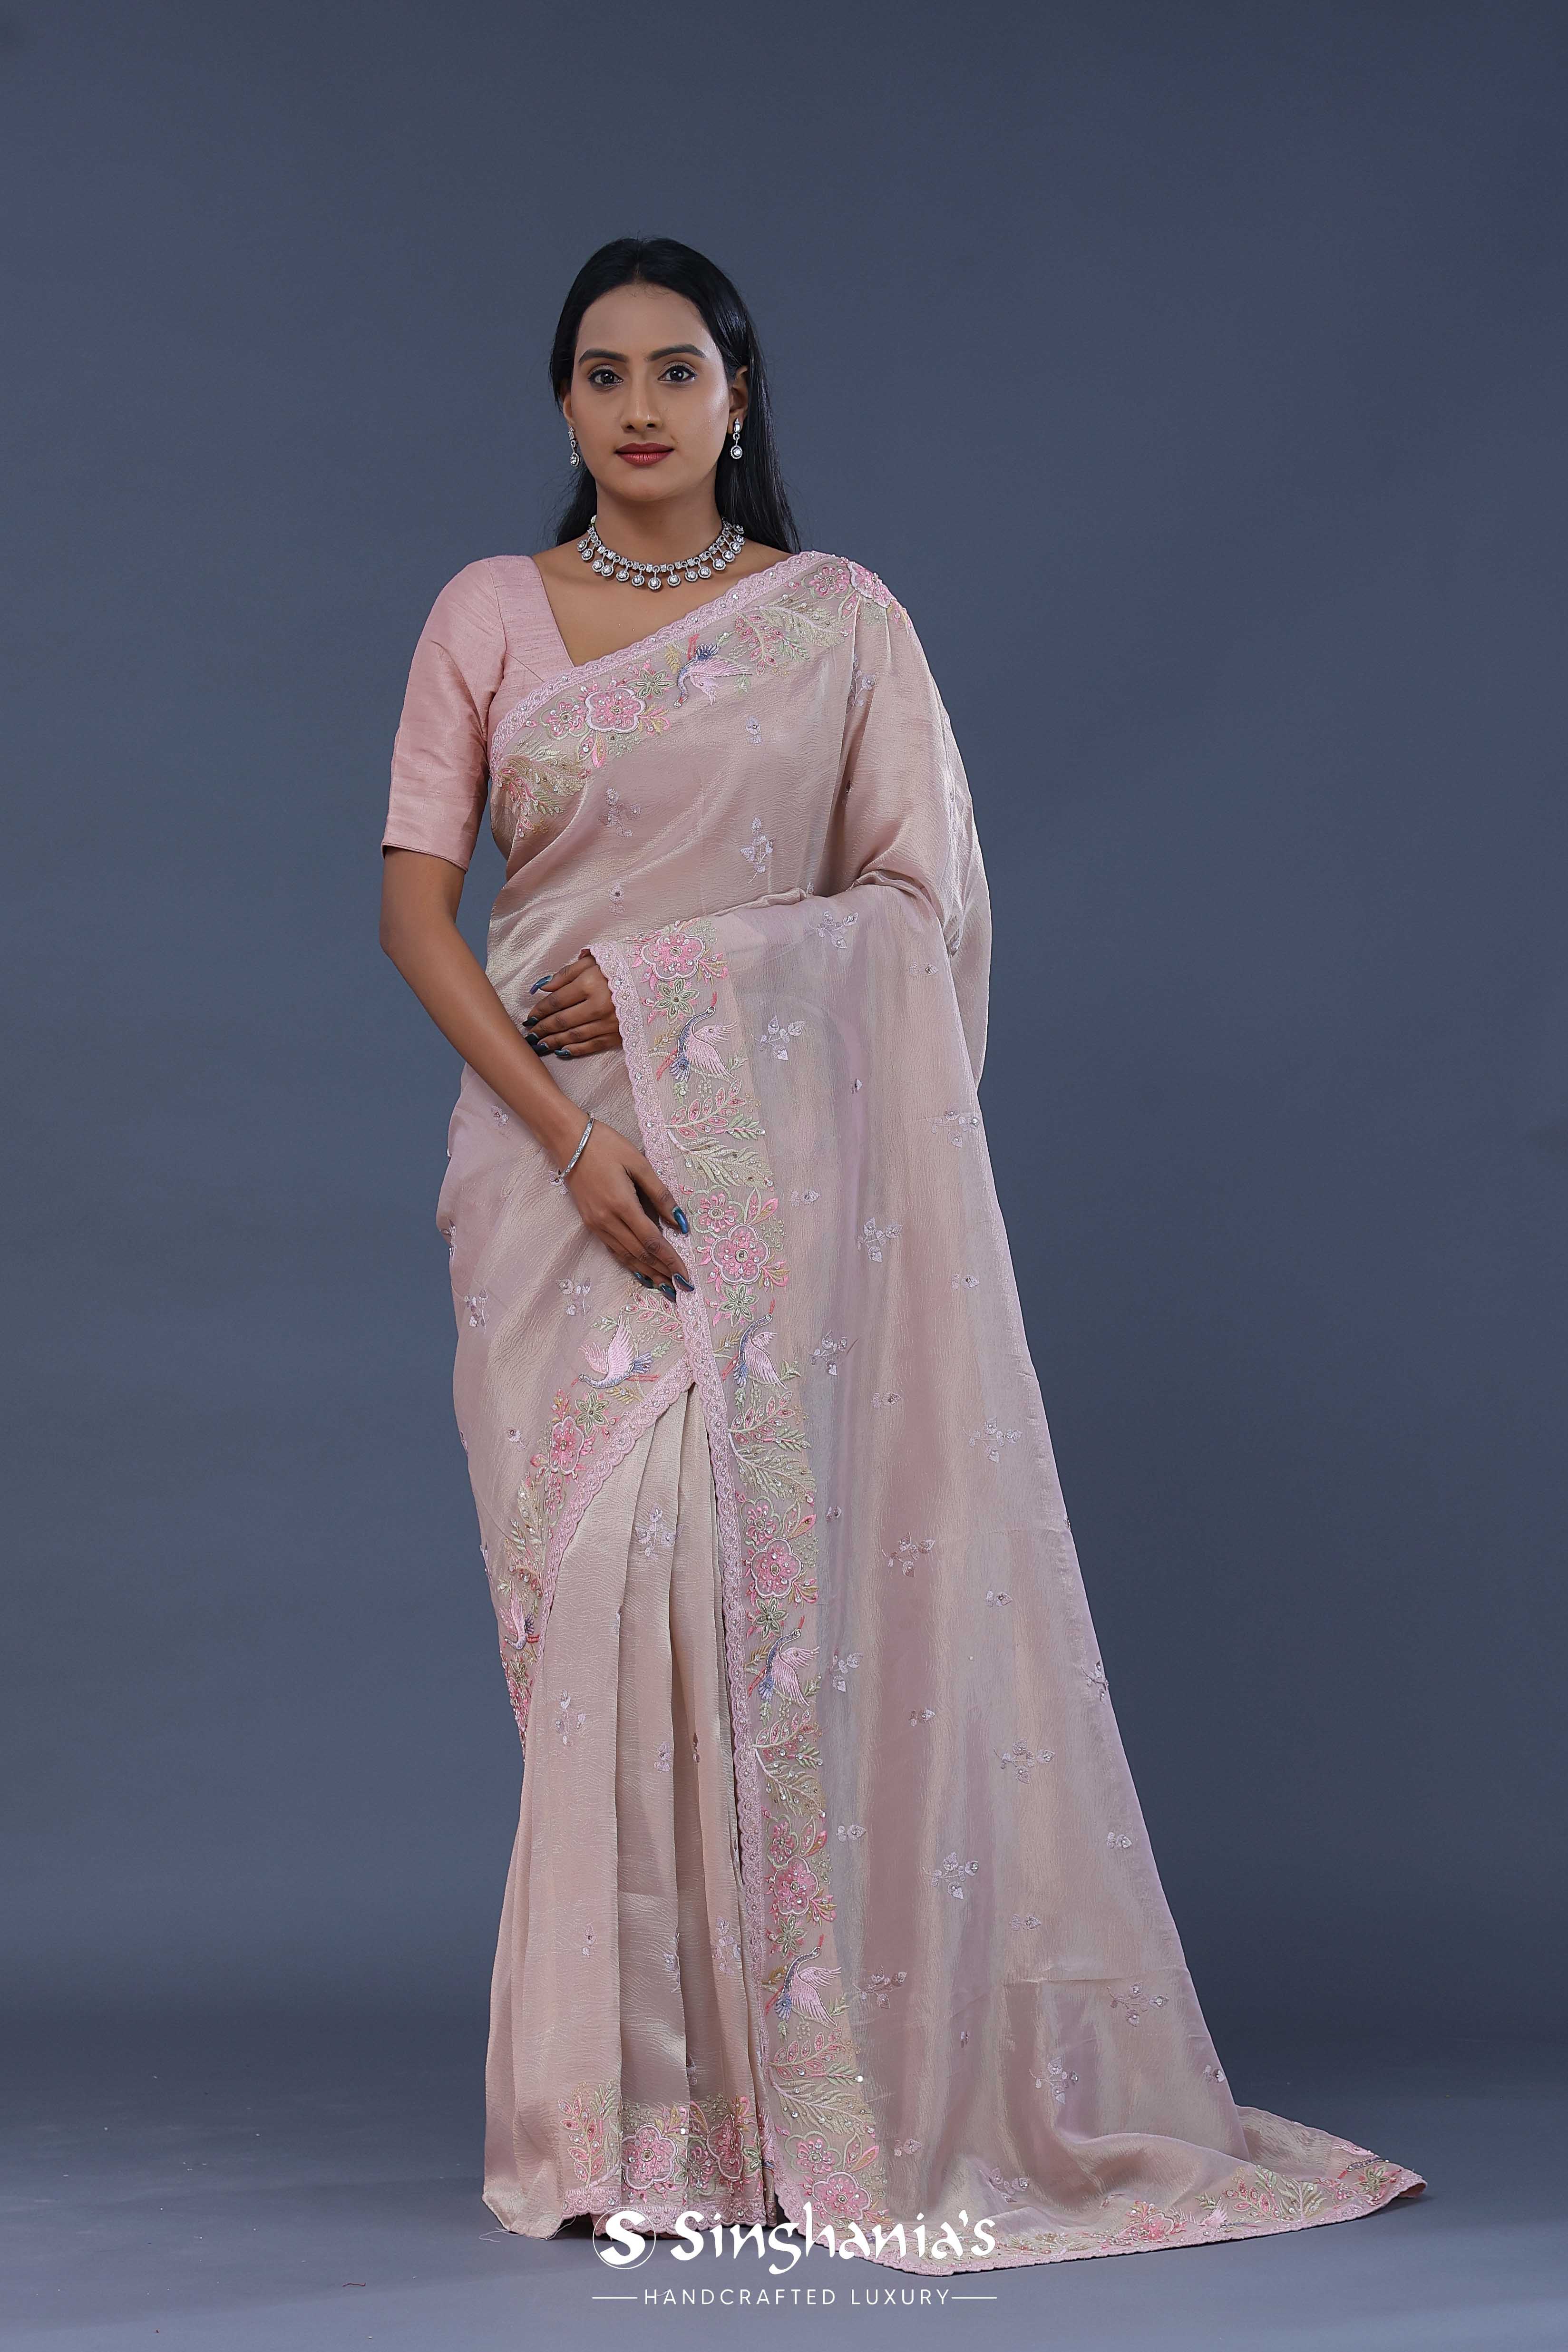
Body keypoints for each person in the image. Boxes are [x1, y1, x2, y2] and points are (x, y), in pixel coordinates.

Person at [379, 236, 1425, 2272]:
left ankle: (786, 2113)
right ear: (564, 404)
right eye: (601, 373)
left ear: (738, 394)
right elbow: (419, 913)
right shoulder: (485, 612)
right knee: (596, 1617)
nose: (640, 407)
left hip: (756, 1181)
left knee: (734, 1600)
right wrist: (570, 1136)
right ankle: (633, 2125)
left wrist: (677, 980)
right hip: (547, 1169)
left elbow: (918, 918)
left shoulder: (840, 624)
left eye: (678, 370)